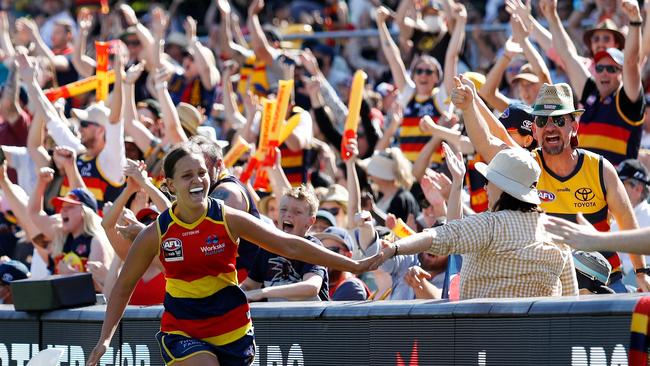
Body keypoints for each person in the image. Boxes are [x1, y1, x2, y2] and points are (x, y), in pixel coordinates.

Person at [86, 143, 380, 366]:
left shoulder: (228, 218)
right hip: (182, 330)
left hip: (233, 330)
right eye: (187, 176)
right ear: (170, 185)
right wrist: (105, 338)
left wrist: (352, 264)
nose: (197, 181)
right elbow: (124, 284)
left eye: (201, 173)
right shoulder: (157, 232)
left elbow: (290, 244)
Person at [454, 75, 650, 293]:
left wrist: (641, 273)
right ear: (535, 131)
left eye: (558, 120)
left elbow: (626, 220)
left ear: (573, 126)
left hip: (605, 283)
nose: (549, 127)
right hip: (550, 286)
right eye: (541, 120)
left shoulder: (600, 169)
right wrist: (469, 106)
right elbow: (487, 141)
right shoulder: (527, 168)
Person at [374, 148, 578, 300]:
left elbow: (440, 236)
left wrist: (395, 248)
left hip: (483, 341)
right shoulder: (557, 232)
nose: (486, 186)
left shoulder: (490, 225)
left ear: (503, 187)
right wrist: (456, 185)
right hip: (540, 344)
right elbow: (571, 300)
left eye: (489, 180)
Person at [539, 0, 645, 166]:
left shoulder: (627, 100)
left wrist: (635, 20)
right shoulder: (590, 92)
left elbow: (631, 62)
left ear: (621, 73)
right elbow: (567, 55)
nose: (604, 72)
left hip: (616, 187)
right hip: (585, 185)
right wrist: (552, 16)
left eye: (612, 69)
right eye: (600, 67)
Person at [240, 185, 331, 302]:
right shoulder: (268, 247)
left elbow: (312, 287)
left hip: (311, 319)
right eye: (283, 209)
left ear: (310, 221)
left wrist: (263, 292)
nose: (288, 214)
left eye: (297, 212)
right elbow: (249, 286)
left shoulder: (313, 247)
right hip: (277, 319)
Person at [314, 226, 370, 301]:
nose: (325, 256)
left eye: (332, 251)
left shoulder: (351, 287)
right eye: (322, 251)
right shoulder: (323, 286)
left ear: (348, 256)